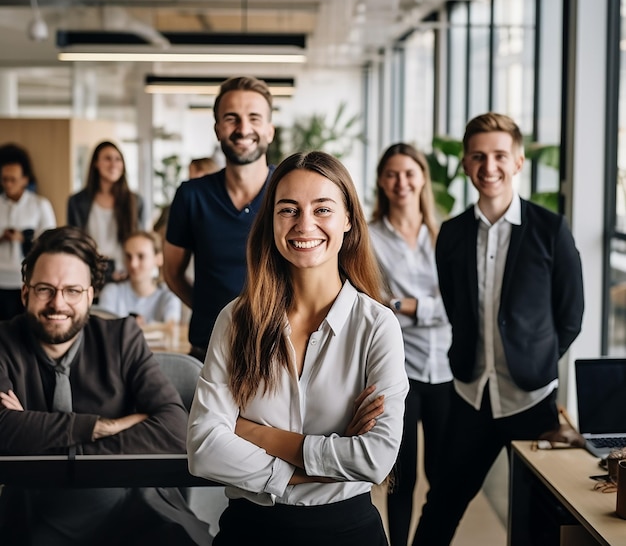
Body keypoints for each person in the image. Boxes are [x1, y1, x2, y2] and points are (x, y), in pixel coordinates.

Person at [187, 151, 409, 546]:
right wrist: (329, 460)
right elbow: (204, 448)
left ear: (348, 221)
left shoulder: (377, 326)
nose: (304, 224)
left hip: (348, 532)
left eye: (322, 209)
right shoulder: (236, 320)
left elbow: (375, 459)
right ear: (271, 222)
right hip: (250, 532)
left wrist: (256, 434)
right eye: (288, 210)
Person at [412, 112, 584, 546]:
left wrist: (537, 359)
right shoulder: (450, 234)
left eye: (499, 156)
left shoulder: (550, 230)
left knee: (540, 516)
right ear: (466, 164)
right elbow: (454, 305)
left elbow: (571, 316)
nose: (489, 167)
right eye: (478, 157)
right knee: (442, 504)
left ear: (519, 162)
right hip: (470, 393)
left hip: (532, 399)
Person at [0, 226, 208, 545]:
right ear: (25, 292)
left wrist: (39, 440)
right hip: (36, 508)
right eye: (45, 289)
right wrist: (101, 427)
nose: (58, 303)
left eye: (72, 290)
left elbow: (175, 431)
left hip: (132, 498)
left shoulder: (122, 338)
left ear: (90, 295)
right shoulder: (3, 342)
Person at [368, 143, 452, 546]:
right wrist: (410, 307)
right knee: (401, 478)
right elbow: (371, 302)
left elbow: (463, 303)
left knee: (443, 479)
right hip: (400, 370)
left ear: (422, 178)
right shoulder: (369, 238)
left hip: (448, 371)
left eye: (409, 173)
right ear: (381, 182)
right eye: (391, 174)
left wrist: (407, 305)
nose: (401, 182)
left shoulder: (447, 235)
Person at [164, 76, 275, 360]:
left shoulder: (290, 193)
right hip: (208, 351)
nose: (243, 128)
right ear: (217, 129)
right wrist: (211, 311)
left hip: (277, 352)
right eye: (231, 118)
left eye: (254, 118)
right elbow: (172, 273)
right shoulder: (191, 196)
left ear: (270, 129)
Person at [67, 141, 144, 282]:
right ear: (96, 163)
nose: (113, 164)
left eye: (118, 159)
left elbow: (140, 242)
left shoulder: (136, 201)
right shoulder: (77, 202)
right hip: (90, 273)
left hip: (126, 274)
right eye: (107, 158)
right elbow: (74, 243)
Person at [0, 144, 56, 320]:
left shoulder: (40, 205)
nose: (8, 184)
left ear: (25, 179)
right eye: (4, 179)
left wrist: (23, 237)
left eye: (13, 179)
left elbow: (51, 242)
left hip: (27, 279)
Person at [97, 230, 182, 326]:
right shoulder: (111, 292)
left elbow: (171, 330)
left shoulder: (169, 296)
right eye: (128, 256)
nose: (133, 264)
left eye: (141, 256)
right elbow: (103, 330)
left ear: (158, 259)